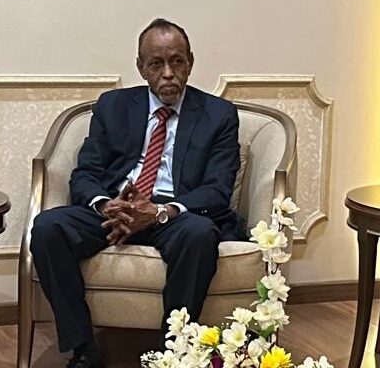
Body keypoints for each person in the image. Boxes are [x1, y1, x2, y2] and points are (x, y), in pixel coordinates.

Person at [29, 19, 242, 368]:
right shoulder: (112, 106)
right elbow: (85, 174)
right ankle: (84, 348)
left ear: (190, 62)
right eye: (157, 64)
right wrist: (105, 205)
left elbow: (217, 189)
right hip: (116, 208)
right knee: (48, 227)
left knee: (200, 233)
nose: (168, 73)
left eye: (177, 61)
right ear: (141, 67)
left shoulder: (218, 114)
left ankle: (172, 352)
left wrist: (159, 212)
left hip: (172, 214)